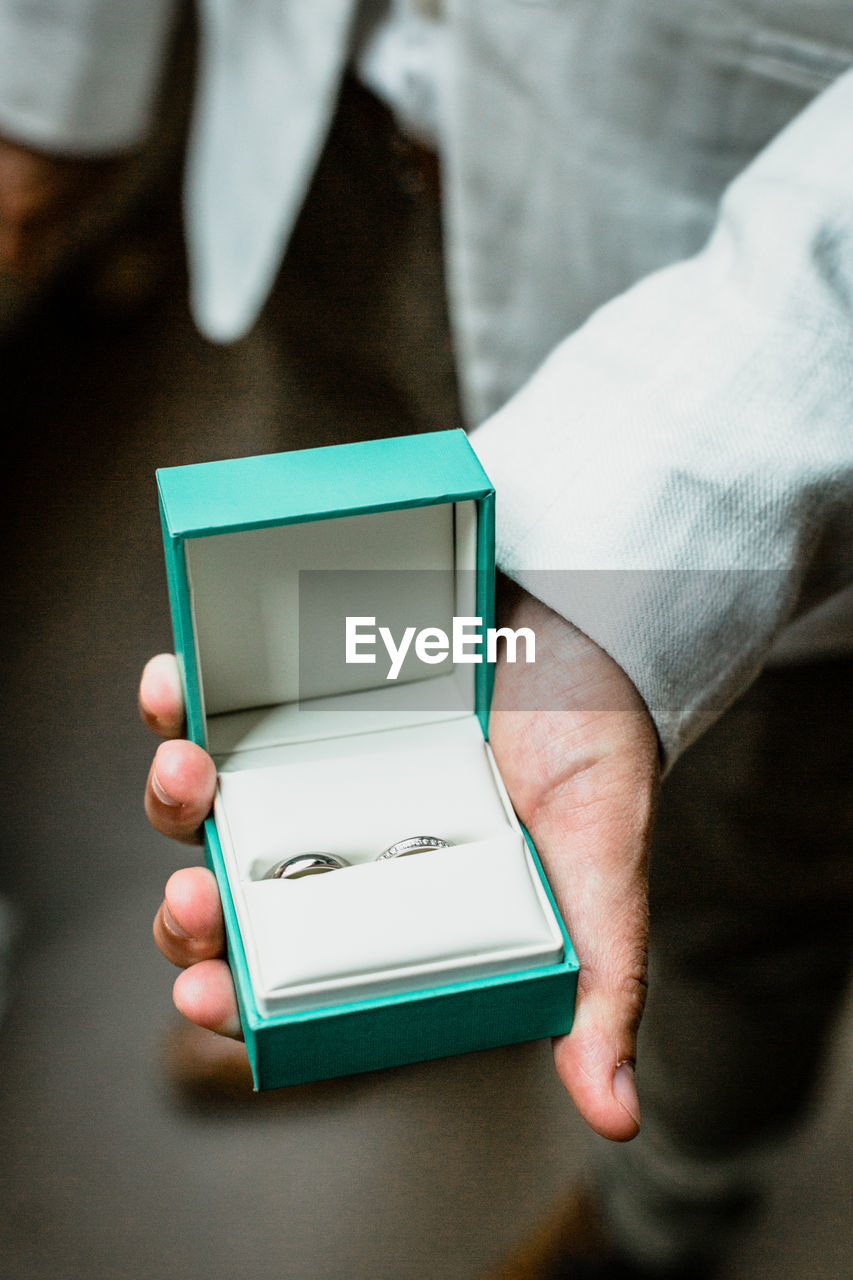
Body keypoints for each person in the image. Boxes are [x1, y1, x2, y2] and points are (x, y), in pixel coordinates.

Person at [2, 4, 851, 1276]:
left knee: (736, 872)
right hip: (318, 150)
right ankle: (378, 968)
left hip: (721, 246)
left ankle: (667, 1214)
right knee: (336, 658)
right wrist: (52, 74)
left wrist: (622, 601)